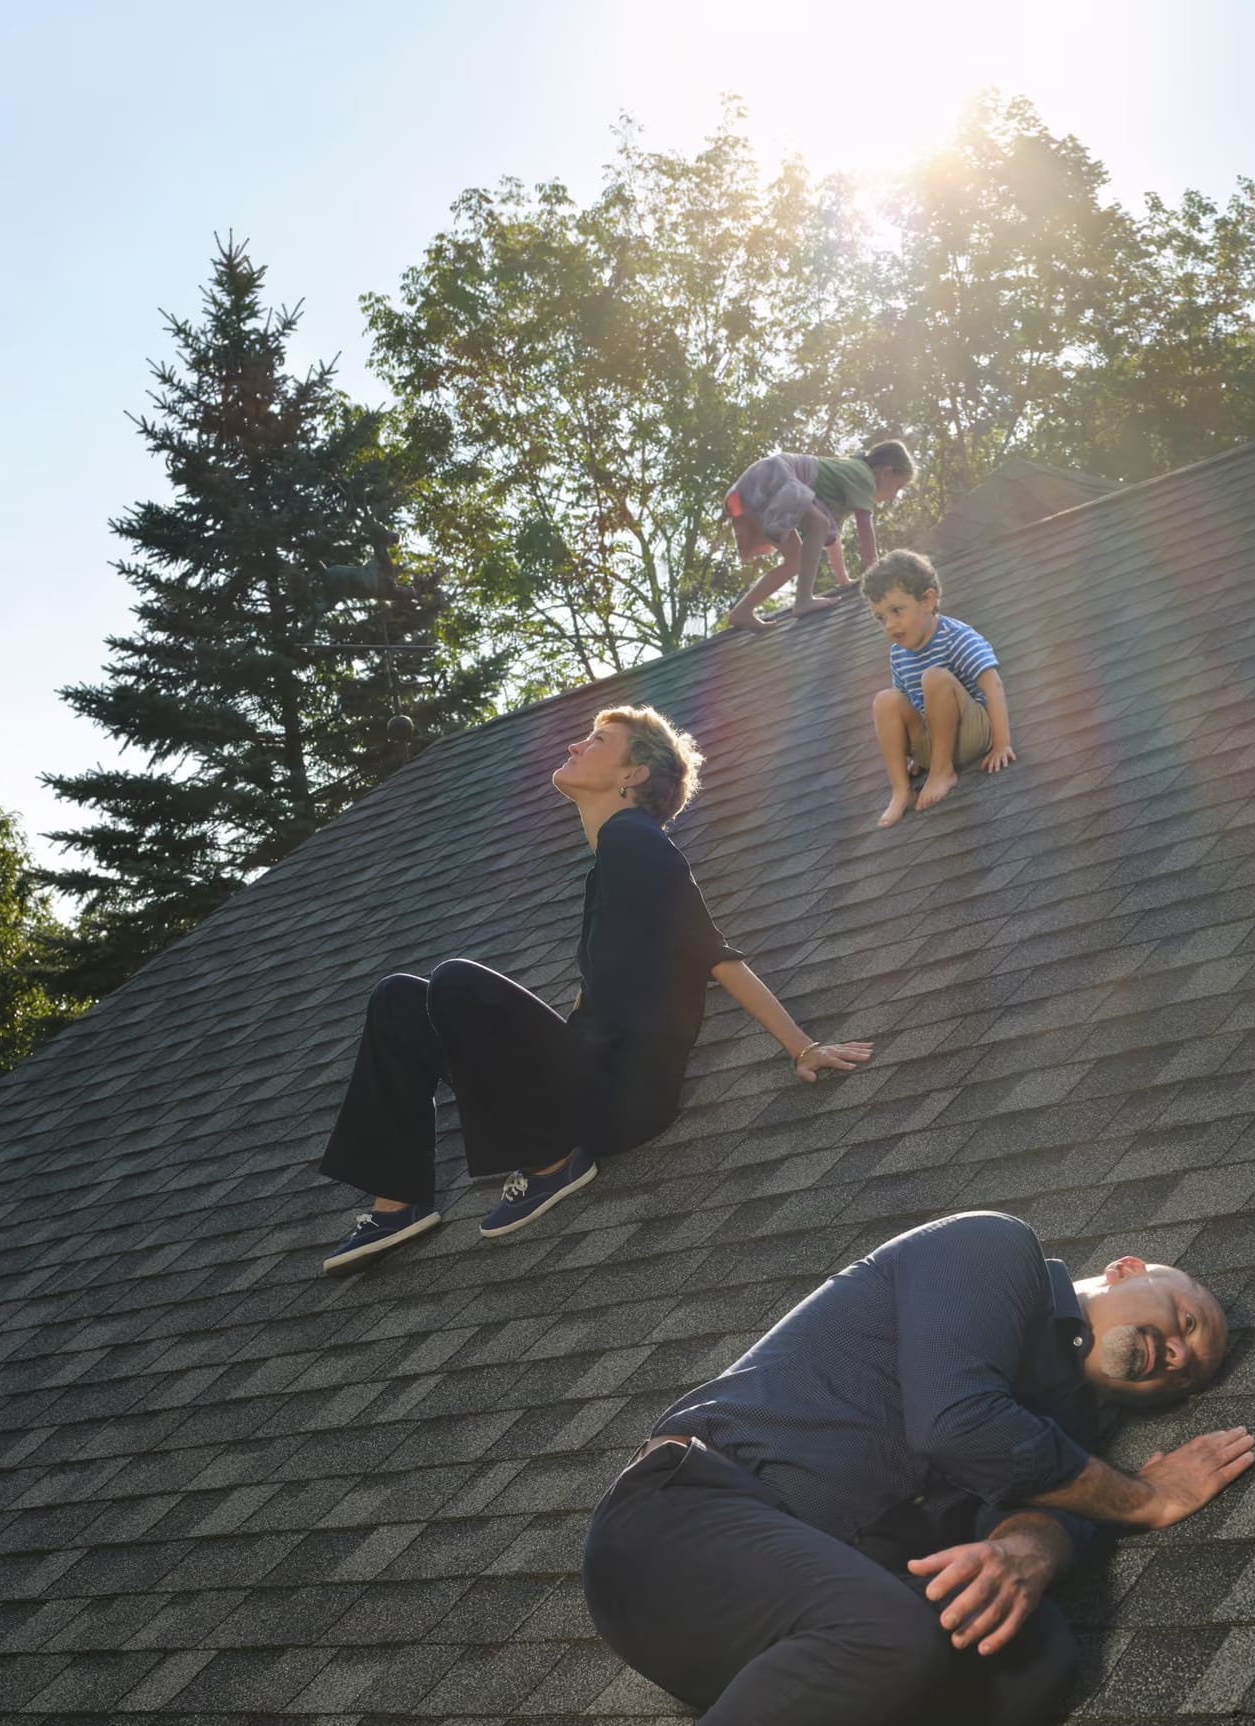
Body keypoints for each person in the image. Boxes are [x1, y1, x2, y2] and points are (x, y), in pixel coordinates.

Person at [555, 1210, 1254, 1726]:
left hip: (802, 1637)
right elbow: (960, 1421)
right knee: (894, 1630)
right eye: (1184, 1321)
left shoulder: (1070, 1435)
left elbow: (1046, 1509)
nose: (1175, 1356)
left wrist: (1026, 1550)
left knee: (1037, 1657)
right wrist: (1140, 1495)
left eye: (1186, 1376)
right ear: (1135, 1266)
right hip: (674, 1525)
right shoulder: (997, 1251)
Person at [317, 706, 871, 1267]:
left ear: (632, 776)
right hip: (586, 1072)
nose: (574, 748)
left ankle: (551, 1163)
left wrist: (801, 1046)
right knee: (400, 998)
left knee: (456, 981)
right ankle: (398, 1204)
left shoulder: (636, 841)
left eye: (598, 741)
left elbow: (712, 952)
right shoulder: (608, 862)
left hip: (621, 1097)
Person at [864, 548, 1014, 828]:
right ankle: (902, 790)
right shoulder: (898, 654)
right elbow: (906, 706)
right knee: (886, 700)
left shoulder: (954, 636)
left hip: (972, 733)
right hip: (934, 744)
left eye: (896, 610)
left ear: (928, 600)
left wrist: (1002, 743)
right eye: (881, 617)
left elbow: (992, 683)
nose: (890, 625)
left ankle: (943, 772)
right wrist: (917, 755)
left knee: (935, 678)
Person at [723, 439, 916, 632]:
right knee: (819, 525)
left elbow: (832, 539)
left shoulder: (845, 486)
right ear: (886, 472)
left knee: (796, 561)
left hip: (761, 478)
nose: (892, 498)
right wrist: (876, 574)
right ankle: (804, 599)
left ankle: (743, 610)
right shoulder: (862, 475)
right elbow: (865, 530)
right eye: (897, 488)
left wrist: (843, 580)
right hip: (776, 472)